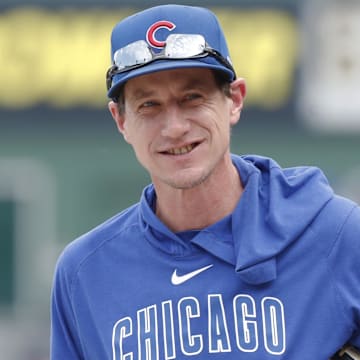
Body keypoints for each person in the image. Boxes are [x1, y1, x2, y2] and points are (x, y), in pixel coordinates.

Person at [50, 4, 360, 359]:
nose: (174, 127)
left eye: (192, 98)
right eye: (149, 105)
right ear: (120, 120)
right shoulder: (85, 274)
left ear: (234, 100)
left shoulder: (335, 235)